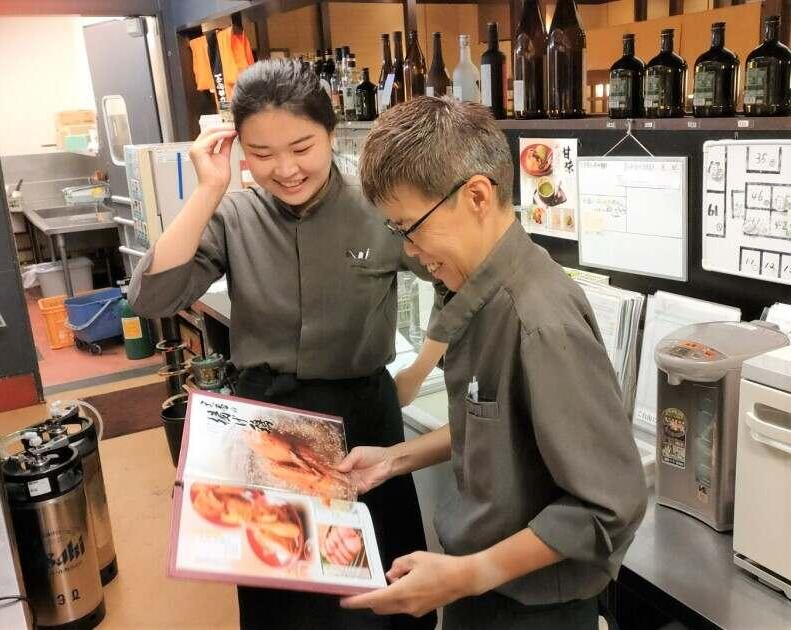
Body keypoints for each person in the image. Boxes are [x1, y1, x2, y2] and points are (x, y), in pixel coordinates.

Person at [128, 60, 436, 630]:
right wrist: (208, 189)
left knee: (372, 593)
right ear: (237, 147)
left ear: (330, 131)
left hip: (361, 420)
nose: (286, 169)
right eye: (262, 153)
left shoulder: (379, 210)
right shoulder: (233, 214)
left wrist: (418, 369)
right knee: (283, 599)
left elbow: (455, 283)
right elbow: (151, 298)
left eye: (302, 146)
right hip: (267, 427)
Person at [338, 97, 647, 629]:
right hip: (483, 589)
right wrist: (394, 460)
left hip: (529, 610)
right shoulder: (480, 293)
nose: (410, 251)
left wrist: (467, 575)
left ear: (476, 195)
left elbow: (609, 506)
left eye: (411, 226)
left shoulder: (538, 321)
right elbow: (495, 423)